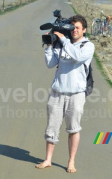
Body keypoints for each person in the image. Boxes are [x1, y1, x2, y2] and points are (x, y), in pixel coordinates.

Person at [35, 15, 95, 173]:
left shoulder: (87, 46)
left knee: (74, 129)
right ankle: (48, 160)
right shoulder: (61, 44)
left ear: (84, 30)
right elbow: (50, 64)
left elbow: (77, 57)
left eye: (77, 28)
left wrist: (64, 40)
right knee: (51, 128)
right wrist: (49, 46)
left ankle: (71, 162)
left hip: (76, 95)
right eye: (72, 27)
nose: (74, 30)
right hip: (57, 93)